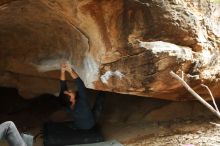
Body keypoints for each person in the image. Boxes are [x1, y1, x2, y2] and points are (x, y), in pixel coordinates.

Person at [59, 62, 105, 130]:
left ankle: (77, 126)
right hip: (90, 123)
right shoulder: (82, 104)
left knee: (77, 93)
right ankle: (103, 91)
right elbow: (80, 84)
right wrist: (70, 71)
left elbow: (62, 84)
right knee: (98, 104)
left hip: (78, 124)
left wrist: (62, 71)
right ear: (72, 99)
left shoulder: (65, 102)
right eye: (69, 92)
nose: (70, 90)